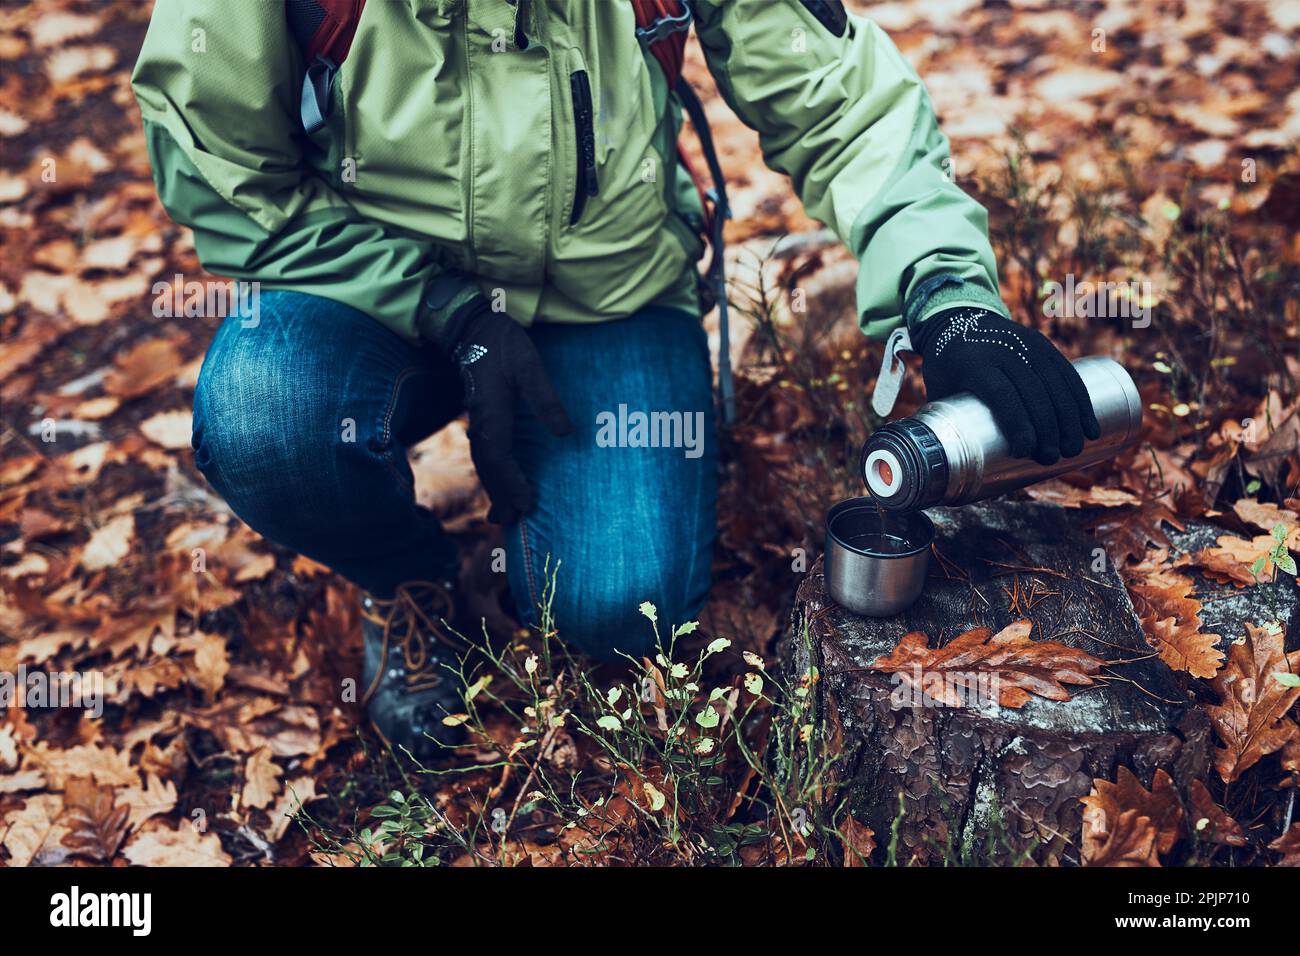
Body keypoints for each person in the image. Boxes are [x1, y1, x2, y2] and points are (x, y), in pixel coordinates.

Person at [132, 0, 1097, 757]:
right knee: (267, 417)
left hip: (611, 290)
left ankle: (539, 533)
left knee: (619, 608)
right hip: (373, 281)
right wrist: (449, 310)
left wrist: (948, 295)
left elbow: (841, 106)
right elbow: (214, 161)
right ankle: (405, 578)